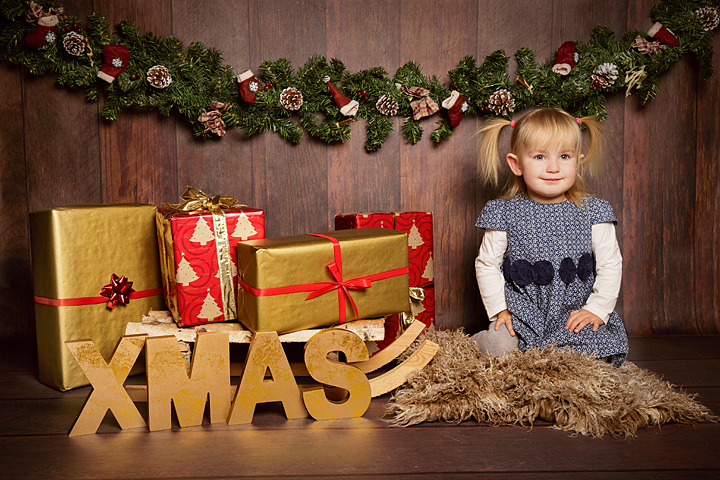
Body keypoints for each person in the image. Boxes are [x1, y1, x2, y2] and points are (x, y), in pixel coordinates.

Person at [472, 108, 628, 367]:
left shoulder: (594, 211)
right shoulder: (502, 212)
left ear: (578, 161)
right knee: (500, 347)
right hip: (521, 312)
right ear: (517, 164)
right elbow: (487, 264)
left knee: (597, 352)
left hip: (572, 314)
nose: (554, 168)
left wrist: (597, 309)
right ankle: (482, 342)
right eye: (540, 157)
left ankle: (561, 362)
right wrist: (500, 309)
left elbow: (610, 264)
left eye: (564, 156)